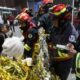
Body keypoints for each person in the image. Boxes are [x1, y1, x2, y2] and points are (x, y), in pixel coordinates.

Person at [38, 4, 78, 80]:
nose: (51, 20)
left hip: (64, 63)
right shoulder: (55, 27)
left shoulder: (71, 32)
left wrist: (52, 50)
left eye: (53, 18)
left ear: (62, 20)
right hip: (54, 59)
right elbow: (50, 38)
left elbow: (69, 52)